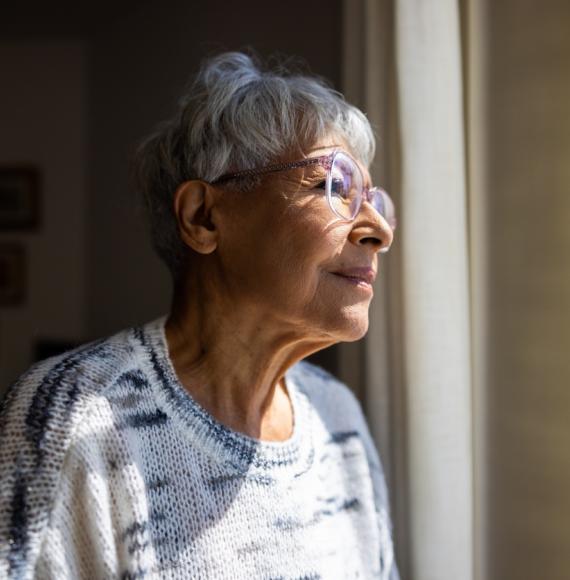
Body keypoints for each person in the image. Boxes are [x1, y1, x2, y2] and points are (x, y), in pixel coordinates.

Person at [0, 51, 399, 579]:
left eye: (373, 199)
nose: (379, 230)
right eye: (336, 187)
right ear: (203, 217)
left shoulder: (337, 418)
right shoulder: (75, 415)